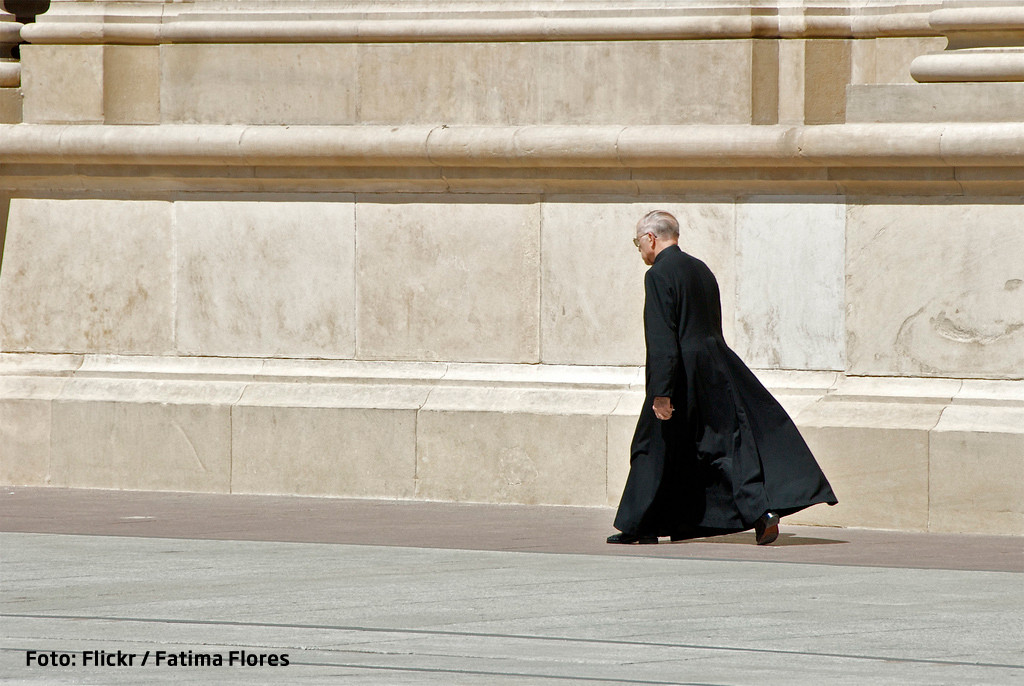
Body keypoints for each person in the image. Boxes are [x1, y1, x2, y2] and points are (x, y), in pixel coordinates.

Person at [608, 210, 837, 546]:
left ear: (651, 239)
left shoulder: (659, 274)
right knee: (716, 447)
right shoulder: (700, 268)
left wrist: (661, 391)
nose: (639, 250)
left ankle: (639, 526)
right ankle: (761, 512)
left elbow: (662, 339)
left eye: (637, 242)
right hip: (716, 367)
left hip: (681, 373)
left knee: (650, 446)